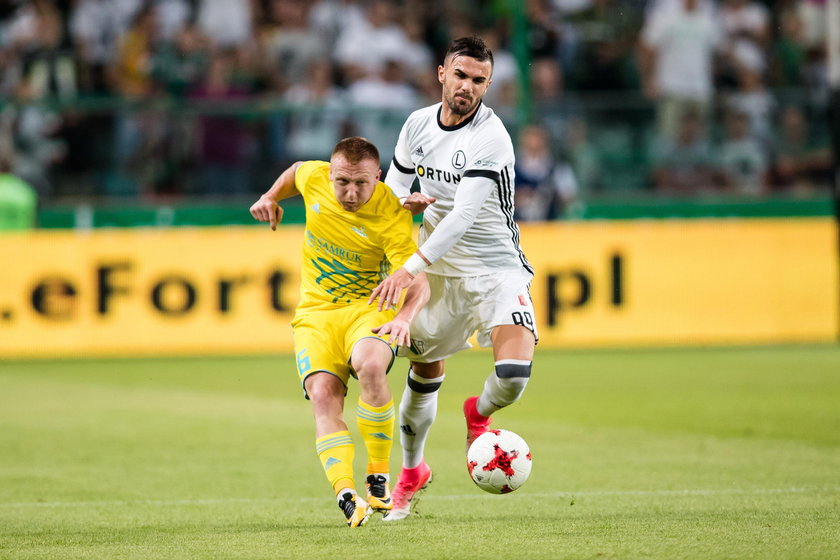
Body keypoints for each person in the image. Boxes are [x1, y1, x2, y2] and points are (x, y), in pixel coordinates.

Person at [369, 36, 537, 521]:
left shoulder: (492, 136)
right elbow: (392, 192)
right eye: (460, 75)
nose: (467, 86)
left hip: (494, 268)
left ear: (488, 85)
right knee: (424, 375)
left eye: (478, 80)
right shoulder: (417, 124)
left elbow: (462, 217)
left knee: (513, 379)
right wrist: (403, 208)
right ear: (442, 72)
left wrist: (408, 267)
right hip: (437, 271)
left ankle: (477, 414)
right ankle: (410, 472)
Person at [249, 136, 430, 528]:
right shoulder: (315, 177)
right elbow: (297, 171)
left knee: (369, 364)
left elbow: (419, 282)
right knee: (322, 395)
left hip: (368, 310)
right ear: (330, 174)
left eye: (361, 183)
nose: (350, 192)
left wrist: (404, 319)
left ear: (378, 177)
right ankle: (346, 494)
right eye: (342, 182)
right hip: (315, 315)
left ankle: (378, 478)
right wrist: (270, 196)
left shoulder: (392, 213)